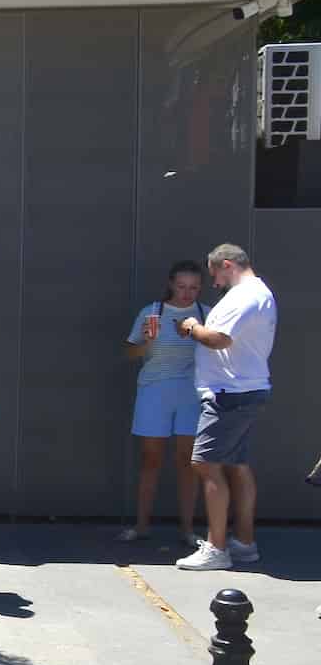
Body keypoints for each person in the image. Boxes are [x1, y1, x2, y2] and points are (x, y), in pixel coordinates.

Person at [176, 244, 276, 571]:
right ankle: (244, 542)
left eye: (215, 274)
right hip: (244, 389)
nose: (214, 282)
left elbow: (219, 339)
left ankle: (217, 548)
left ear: (228, 264)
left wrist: (192, 327)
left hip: (228, 394)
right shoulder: (257, 294)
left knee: (206, 464)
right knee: (237, 464)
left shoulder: (245, 296)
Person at [117, 261, 206, 547]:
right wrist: (146, 341)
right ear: (170, 284)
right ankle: (142, 525)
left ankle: (188, 529)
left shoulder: (205, 313)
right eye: (181, 286)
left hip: (191, 392)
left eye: (193, 287)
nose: (186, 293)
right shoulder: (152, 311)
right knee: (150, 459)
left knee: (188, 462)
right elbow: (129, 352)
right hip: (154, 389)